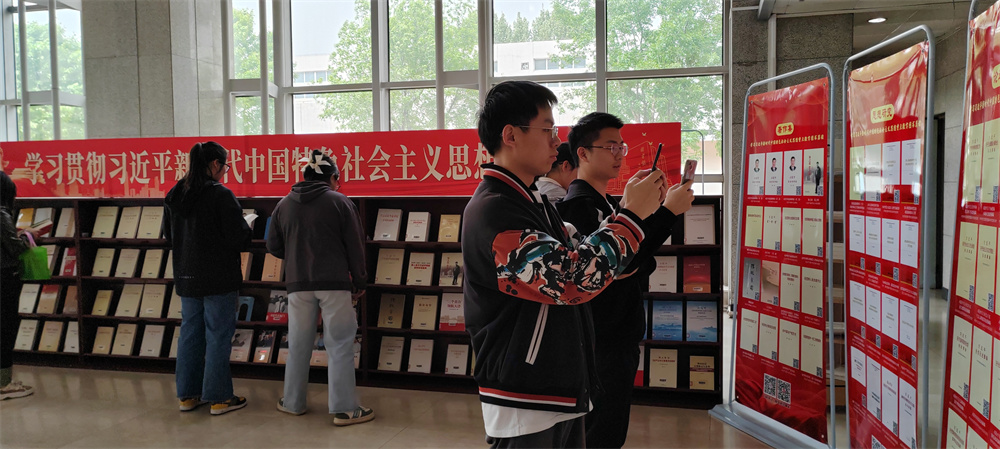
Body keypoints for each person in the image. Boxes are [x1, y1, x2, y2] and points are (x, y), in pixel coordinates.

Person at [463, 80, 665, 448]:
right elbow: (571, 281)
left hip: (554, 383)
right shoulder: (496, 211)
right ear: (510, 135)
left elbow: (582, 253)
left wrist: (629, 211)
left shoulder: (530, 201)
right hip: (525, 394)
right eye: (547, 130)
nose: (558, 142)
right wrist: (632, 215)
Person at [557, 112, 694, 449]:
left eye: (621, 147)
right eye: (610, 147)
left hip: (618, 331)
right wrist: (667, 213)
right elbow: (621, 265)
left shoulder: (608, 204)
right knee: (600, 432)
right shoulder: (578, 207)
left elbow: (636, 262)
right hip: (601, 336)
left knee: (611, 426)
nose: (619, 154)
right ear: (583, 153)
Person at [266, 150, 374, 426]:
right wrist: (359, 281)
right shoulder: (340, 202)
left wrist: (296, 255)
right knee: (339, 345)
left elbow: (273, 245)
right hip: (334, 284)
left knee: (298, 344)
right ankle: (344, 409)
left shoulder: (283, 205)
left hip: (298, 284)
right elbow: (355, 246)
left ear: (305, 176)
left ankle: (293, 403)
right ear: (333, 177)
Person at [163, 141, 251, 415]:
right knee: (218, 337)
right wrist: (247, 225)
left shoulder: (175, 193)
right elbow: (238, 238)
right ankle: (219, 397)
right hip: (218, 278)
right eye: (225, 166)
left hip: (186, 277)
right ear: (215, 164)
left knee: (190, 335)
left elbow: (168, 236)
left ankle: (188, 396)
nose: (225, 171)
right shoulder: (221, 195)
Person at [0, 171, 35, 400]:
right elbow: (14, 248)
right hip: (4, 276)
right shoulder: (1, 213)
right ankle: (4, 383)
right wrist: (28, 236)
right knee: (6, 326)